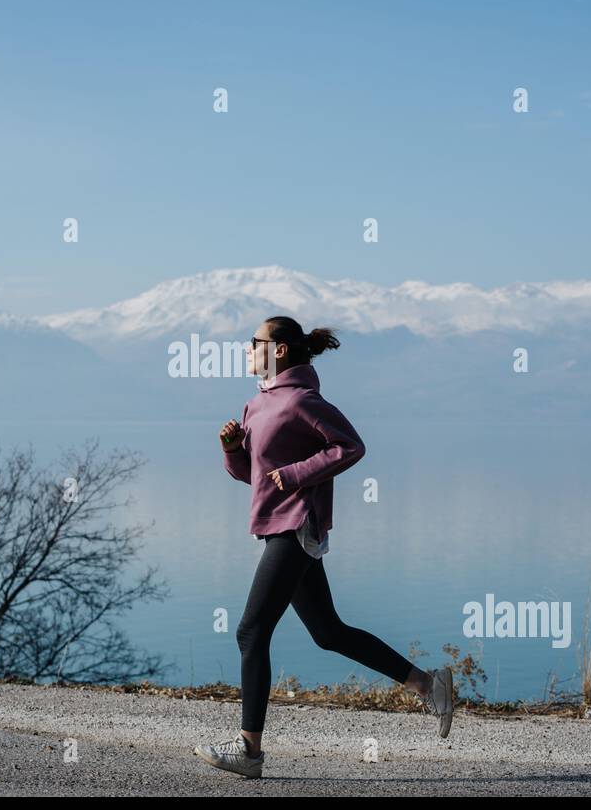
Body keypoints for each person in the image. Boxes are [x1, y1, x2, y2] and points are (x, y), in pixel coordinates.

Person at [192, 316, 454, 779]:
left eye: (256, 342)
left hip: (298, 527)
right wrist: (232, 448)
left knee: (251, 633)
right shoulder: (257, 405)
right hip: (274, 527)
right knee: (328, 633)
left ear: (281, 351)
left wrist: (296, 475)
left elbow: (350, 446)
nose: (247, 348)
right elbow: (249, 474)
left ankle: (249, 752)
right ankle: (428, 685)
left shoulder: (303, 402)